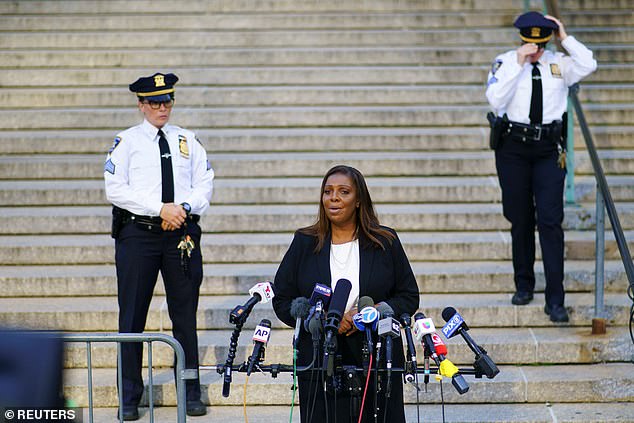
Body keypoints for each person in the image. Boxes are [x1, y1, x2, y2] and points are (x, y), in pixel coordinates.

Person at [104, 72, 214, 419]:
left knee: (185, 315)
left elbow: (205, 182)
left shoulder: (187, 140)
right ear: (141, 105)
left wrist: (181, 209)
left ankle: (190, 389)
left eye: (167, 100)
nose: (162, 107)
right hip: (139, 235)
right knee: (132, 314)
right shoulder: (127, 142)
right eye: (154, 102)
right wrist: (160, 209)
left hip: (179, 233)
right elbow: (116, 189)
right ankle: (129, 398)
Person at [272, 165, 419, 422]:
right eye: (328, 191)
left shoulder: (385, 241)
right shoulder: (304, 242)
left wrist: (370, 313)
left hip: (376, 352)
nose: (334, 197)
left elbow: (408, 296)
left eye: (343, 191)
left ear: (359, 200)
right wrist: (319, 319)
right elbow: (282, 298)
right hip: (320, 355)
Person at [486, 12, 597, 322]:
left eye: (540, 42)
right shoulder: (506, 61)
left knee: (550, 221)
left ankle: (556, 298)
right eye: (529, 43)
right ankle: (524, 284)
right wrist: (519, 64)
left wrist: (565, 37)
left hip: (549, 149)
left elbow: (589, 64)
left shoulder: (560, 63)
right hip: (513, 149)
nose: (534, 48)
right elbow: (495, 100)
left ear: (546, 40)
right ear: (522, 39)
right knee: (520, 217)